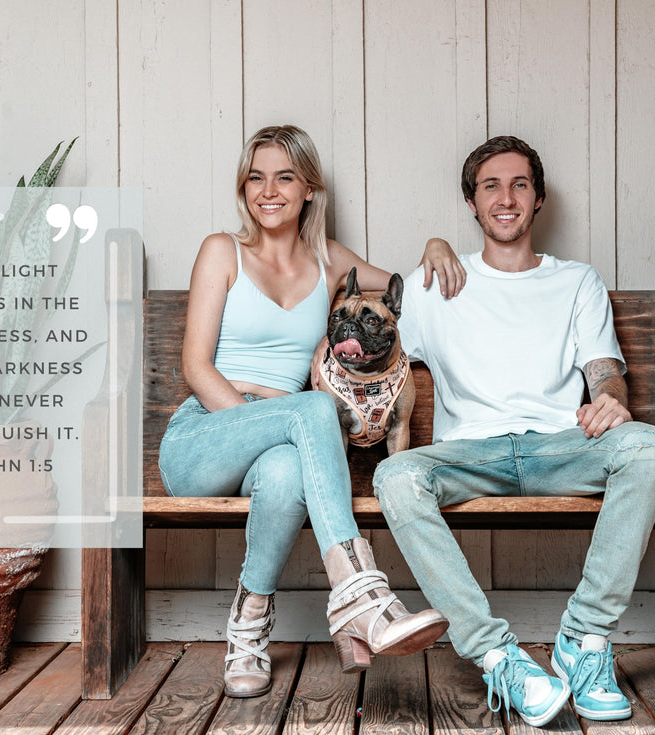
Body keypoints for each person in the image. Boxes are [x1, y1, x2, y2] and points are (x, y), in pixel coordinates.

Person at [372, 136, 655, 725]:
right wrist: (429, 247)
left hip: (559, 447)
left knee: (646, 445)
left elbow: (605, 372)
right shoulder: (436, 282)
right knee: (396, 476)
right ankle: (497, 655)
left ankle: (583, 642)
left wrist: (611, 401)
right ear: (471, 202)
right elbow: (353, 314)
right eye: (490, 186)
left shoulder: (577, 281)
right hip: (468, 454)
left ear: (537, 200)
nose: (505, 198)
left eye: (519, 185)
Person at [158, 125, 462, 699]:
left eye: (284, 177)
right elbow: (196, 368)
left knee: (284, 474)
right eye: (255, 177)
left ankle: (247, 630)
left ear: (309, 189)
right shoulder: (222, 250)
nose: (268, 190)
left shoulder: (329, 264)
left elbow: (409, 291)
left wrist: (437, 247)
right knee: (317, 409)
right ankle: (360, 595)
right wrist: (274, 416)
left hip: (279, 445)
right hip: (204, 436)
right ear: (243, 188)